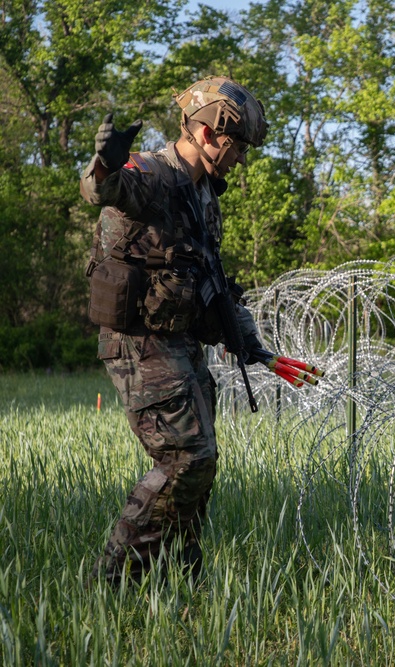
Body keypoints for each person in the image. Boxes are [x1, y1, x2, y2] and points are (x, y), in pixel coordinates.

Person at [80, 76, 269, 585]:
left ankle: (179, 572)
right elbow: (102, 188)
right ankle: (114, 579)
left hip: (180, 339)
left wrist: (246, 339)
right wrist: (106, 161)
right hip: (140, 341)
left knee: (200, 462)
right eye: (237, 147)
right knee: (186, 456)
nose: (240, 159)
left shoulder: (204, 194)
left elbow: (213, 276)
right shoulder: (153, 175)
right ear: (208, 135)